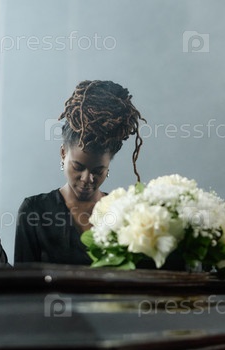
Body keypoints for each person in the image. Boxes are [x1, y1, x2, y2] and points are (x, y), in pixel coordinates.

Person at [14, 80, 145, 265]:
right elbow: (21, 281)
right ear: (63, 153)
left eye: (98, 170)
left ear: (109, 164)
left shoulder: (124, 212)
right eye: (78, 167)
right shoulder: (34, 211)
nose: (87, 178)